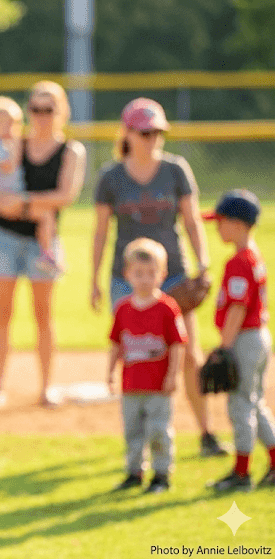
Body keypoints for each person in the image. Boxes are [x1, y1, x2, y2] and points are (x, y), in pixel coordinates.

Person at [91, 97, 228, 458]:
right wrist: (93, 279)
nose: (152, 138)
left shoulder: (176, 169)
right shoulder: (111, 176)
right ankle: (137, 445)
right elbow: (101, 232)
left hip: (173, 276)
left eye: (157, 132)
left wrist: (204, 263)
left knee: (186, 354)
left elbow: (192, 219)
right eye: (145, 131)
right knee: (136, 355)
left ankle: (206, 432)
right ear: (129, 133)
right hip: (128, 279)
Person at [0, 81, 87, 409]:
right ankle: (0, 387)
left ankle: (47, 386)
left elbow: (65, 196)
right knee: (3, 314)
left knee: (43, 316)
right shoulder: (14, 144)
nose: (41, 116)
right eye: (35, 109)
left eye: (48, 109)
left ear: (61, 111)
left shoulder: (71, 151)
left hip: (43, 244)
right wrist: (13, 203)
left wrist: (21, 203)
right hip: (5, 238)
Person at [201, 190, 275, 491]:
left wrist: (224, 347)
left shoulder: (239, 261)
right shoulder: (252, 255)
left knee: (240, 405)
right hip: (258, 337)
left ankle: (241, 474)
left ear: (239, 224)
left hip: (243, 338)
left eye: (221, 221)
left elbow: (237, 307)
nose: (217, 227)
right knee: (255, 404)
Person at [107, 237, 187, 494]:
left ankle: (161, 475)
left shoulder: (167, 308)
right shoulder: (123, 309)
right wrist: (109, 373)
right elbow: (116, 344)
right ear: (127, 274)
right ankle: (134, 472)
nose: (145, 279)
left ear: (162, 274)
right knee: (132, 431)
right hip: (131, 384)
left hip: (158, 385)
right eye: (138, 273)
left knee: (158, 430)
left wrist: (173, 376)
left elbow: (177, 345)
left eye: (151, 273)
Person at [0, 95, 60, 274]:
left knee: (42, 216)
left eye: (12, 123)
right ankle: (47, 255)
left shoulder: (0, 144)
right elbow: (5, 168)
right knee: (44, 216)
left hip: (11, 195)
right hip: (6, 194)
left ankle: (46, 254)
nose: (9, 128)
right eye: (2, 123)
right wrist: (15, 152)